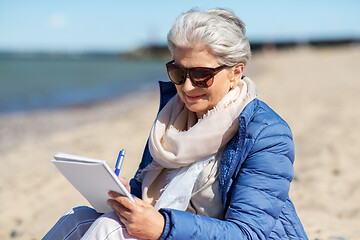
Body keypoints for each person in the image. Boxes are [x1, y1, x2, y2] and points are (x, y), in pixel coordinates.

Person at [43, 8, 308, 240]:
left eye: (202, 75)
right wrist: (125, 195)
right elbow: (148, 194)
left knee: (109, 229)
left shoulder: (267, 133)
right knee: (78, 218)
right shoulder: (170, 120)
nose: (187, 86)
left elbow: (248, 233)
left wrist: (162, 227)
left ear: (236, 72)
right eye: (178, 73)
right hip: (176, 230)